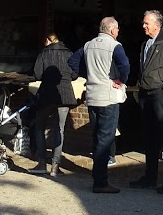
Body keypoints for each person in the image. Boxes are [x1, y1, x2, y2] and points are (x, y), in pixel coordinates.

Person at [68, 17, 130, 194]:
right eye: (117, 29)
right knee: (106, 139)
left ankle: (98, 177)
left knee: (96, 137)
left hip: (92, 96)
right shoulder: (114, 46)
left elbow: (72, 62)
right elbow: (125, 65)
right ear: (111, 31)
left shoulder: (87, 45)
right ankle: (101, 182)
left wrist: (88, 74)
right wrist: (121, 80)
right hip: (108, 96)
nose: (118, 32)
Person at [128, 10, 163, 195]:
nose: (143, 26)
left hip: (160, 95)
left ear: (156, 24)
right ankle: (150, 177)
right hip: (146, 94)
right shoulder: (146, 43)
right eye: (144, 23)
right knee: (150, 138)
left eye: (146, 23)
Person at [30, 33, 77, 177]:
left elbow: (37, 75)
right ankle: (55, 166)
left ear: (47, 40)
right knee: (60, 129)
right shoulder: (69, 53)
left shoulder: (43, 53)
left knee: (39, 126)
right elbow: (74, 74)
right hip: (64, 93)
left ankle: (42, 163)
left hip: (46, 94)